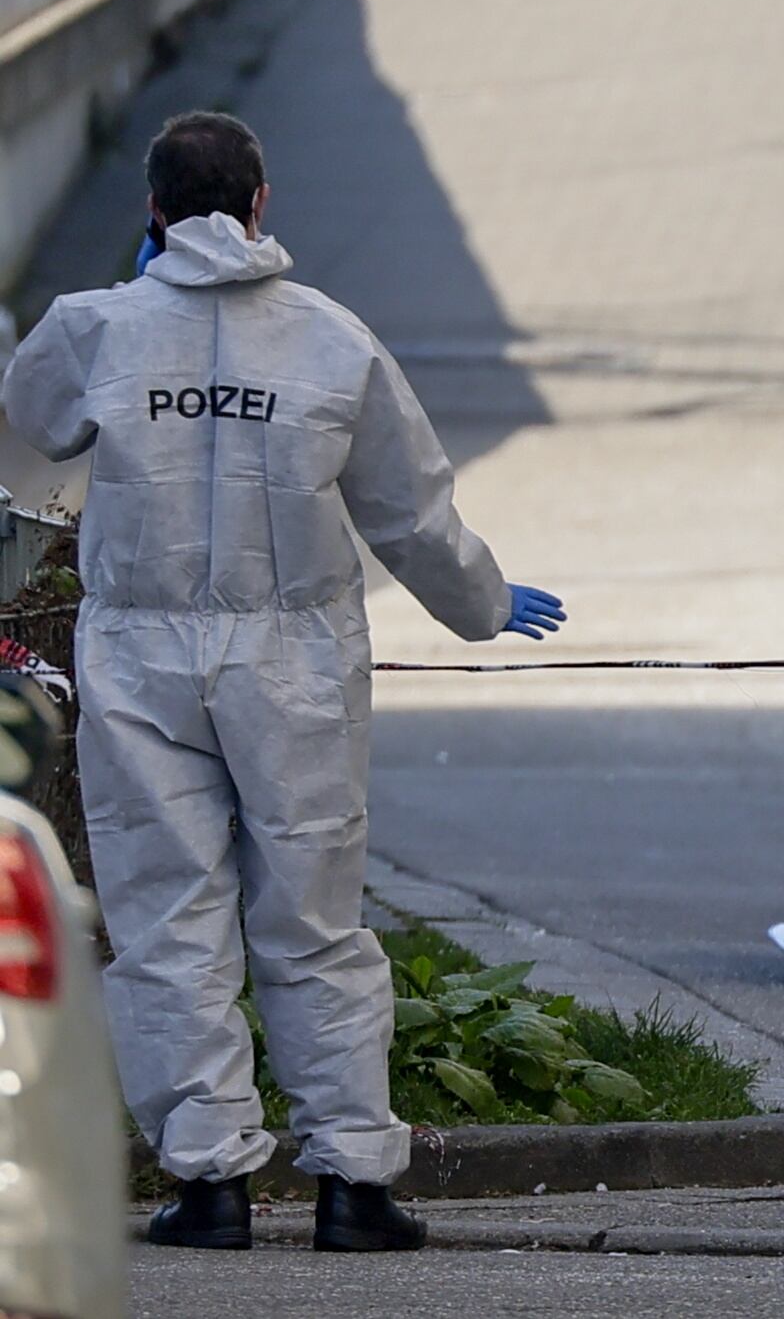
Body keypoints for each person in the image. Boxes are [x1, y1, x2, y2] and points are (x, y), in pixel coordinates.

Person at [0, 111, 568, 1252]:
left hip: (142, 658)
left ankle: (207, 1182)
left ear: (151, 211)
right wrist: (483, 603)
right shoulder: (331, 342)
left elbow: (32, 417)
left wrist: (133, 296)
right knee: (313, 919)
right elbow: (411, 511)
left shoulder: (96, 328)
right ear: (263, 205)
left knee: (168, 916)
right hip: (296, 662)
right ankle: (355, 1181)